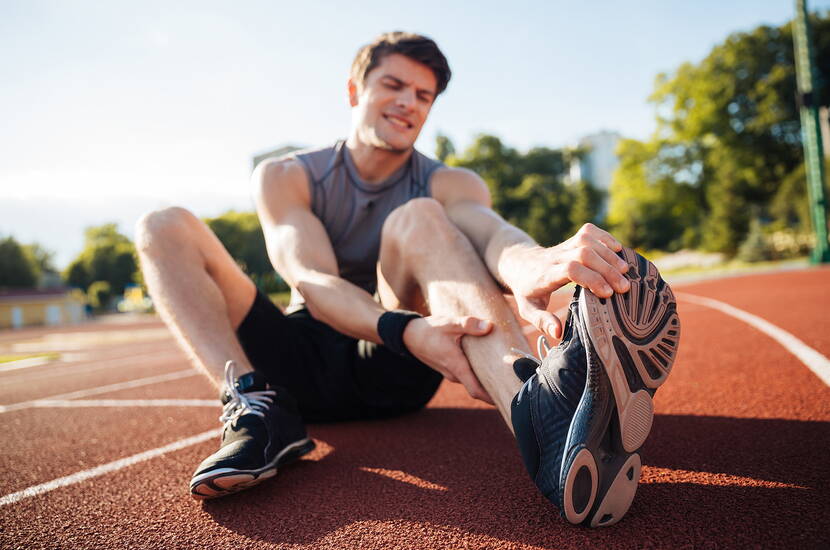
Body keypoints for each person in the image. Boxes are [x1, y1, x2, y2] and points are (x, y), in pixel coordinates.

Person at [135, 31, 679, 527]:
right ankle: (255, 409)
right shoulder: (286, 175)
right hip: (300, 363)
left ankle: (542, 418)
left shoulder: (449, 181)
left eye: (423, 96)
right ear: (354, 91)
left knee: (417, 216)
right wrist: (404, 328)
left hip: (395, 368)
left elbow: (490, 234)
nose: (408, 103)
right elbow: (311, 280)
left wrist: (529, 264)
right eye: (394, 85)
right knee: (163, 226)